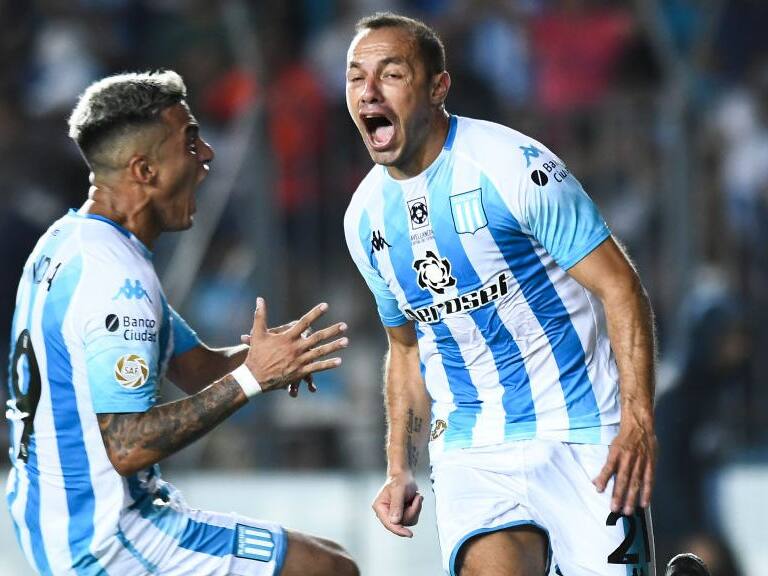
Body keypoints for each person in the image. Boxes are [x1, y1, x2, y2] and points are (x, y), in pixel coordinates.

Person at [5, 70, 359, 576]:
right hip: (108, 536)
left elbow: (195, 368)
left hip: (59, 518)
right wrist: (252, 377)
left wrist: (272, 358)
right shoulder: (114, 279)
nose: (208, 154)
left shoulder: (70, 241)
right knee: (328, 569)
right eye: (191, 142)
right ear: (145, 170)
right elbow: (127, 445)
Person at [343, 12, 658, 576]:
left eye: (390, 74)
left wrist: (637, 422)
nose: (368, 91)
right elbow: (407, 347)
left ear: (438, 87)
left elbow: (620, 288)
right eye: (356, 76)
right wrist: (399, 466)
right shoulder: (362, 219)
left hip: (583, 433)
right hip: (472, 447)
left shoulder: (514, 168)